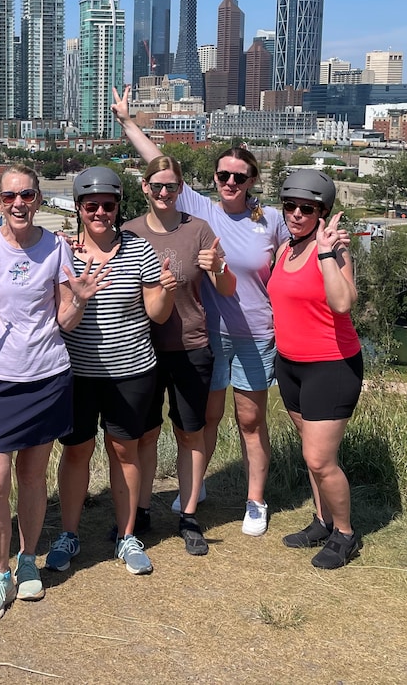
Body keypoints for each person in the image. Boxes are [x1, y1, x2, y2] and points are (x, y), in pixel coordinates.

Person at [0, 164, 105, 623]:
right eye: (9, 197)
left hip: (48, 376)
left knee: (32, 479)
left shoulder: (55, 248)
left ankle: (28, 559)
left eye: (27, 195)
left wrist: (81, 300)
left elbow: (63, 322)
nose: (19, 204)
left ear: (38, 199)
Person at [113, 86, 286, 536]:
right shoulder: (200, 211)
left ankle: (254, 500)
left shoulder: (271, 221)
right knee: (205, 419)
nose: (231, 183)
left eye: (240, 177)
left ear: (252, 182)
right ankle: (198, 487)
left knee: (250, 420)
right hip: (207, 334)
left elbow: (296, 257)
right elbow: (160, 169)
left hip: (252, 330)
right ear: (214, 178)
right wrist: (128, 123)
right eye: (224, 175)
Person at [49, 166, 175, 576]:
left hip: (132, 371)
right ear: (79, 208)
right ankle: (69, 534)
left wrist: (167, 291)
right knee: (76, 451)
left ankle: (127, 534)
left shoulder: (139, 249)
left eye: (109, 205)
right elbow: (61, 314)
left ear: (119, 207)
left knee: (125, 451)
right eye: (92, 205)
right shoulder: (62, 252)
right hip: (77, 373)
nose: (101, 212)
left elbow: (156, 314)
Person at [121, 156, 236, 556]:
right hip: (139, 349)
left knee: (190, 432)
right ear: (145, 188)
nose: (165, 193)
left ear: (182, 188)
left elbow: (224, 287)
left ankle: (188, 515)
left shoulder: (198, 230)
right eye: (158, 186)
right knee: (146, 434)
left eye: (172, 186)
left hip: (190, 345)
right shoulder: (128, 231)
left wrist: (218, 267)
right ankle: (142, 508)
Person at [268, 171, 364, 569]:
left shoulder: (336, 252)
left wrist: (326, 254)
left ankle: (345, 533)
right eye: (289, 206)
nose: (295, 214)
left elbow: (344, 303)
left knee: (321, 459)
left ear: (322, 212)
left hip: (332, 366)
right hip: (290, 365)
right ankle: (322, 521)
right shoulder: (284, 251)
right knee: (312, 457)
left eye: (306, 208)